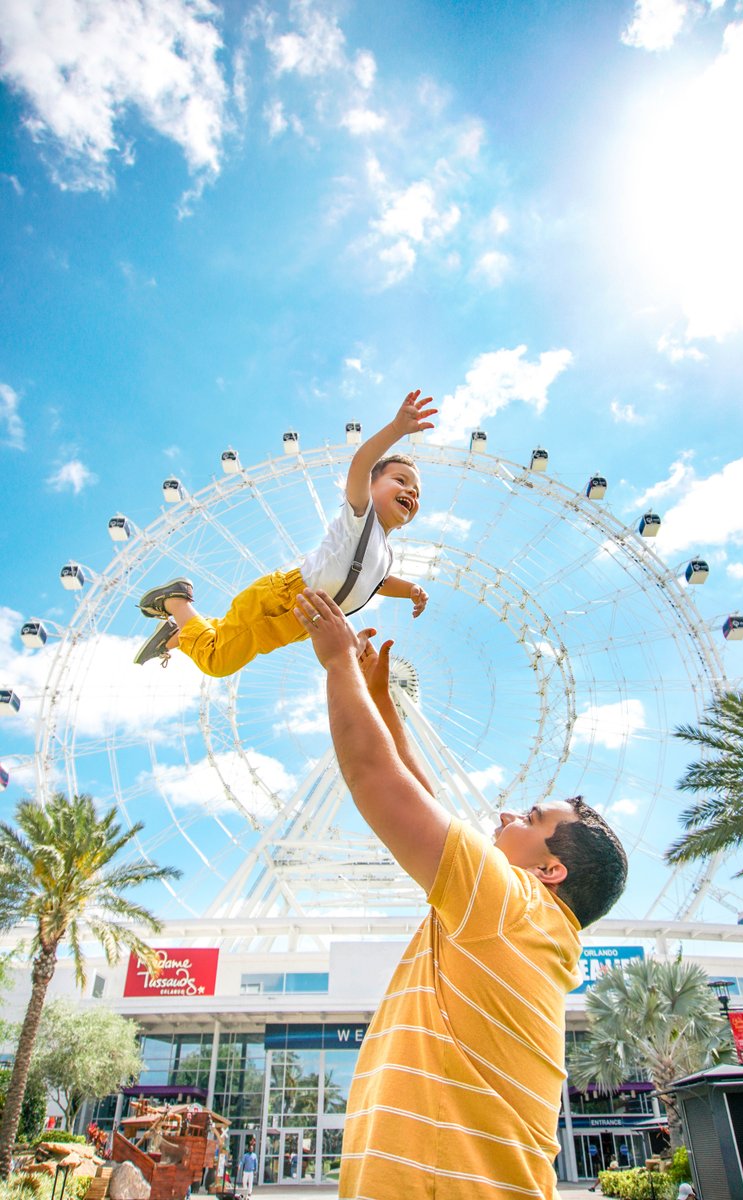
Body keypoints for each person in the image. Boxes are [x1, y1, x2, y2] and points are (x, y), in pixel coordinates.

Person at [293, 588, 629, 1200]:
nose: (506, 812)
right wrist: (380, 704)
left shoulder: (512, 909)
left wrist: (339, 664)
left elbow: (378, 781)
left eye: (530, 818)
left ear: (551, 871)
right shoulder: (527, 925)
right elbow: (426, 797)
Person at [133, 390, 436, 673]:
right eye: (400, 480)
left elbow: (377, 583)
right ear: (370, 486)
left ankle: (177, 633)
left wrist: (409, 590)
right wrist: (396, 429)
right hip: (285, 599)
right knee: (216, 661)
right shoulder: (361, 513)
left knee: (225, 644)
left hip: (303, 622)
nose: (411, 492)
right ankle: (177, 600)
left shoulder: (385, 553)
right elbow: (360, 463)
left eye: (417, 492)